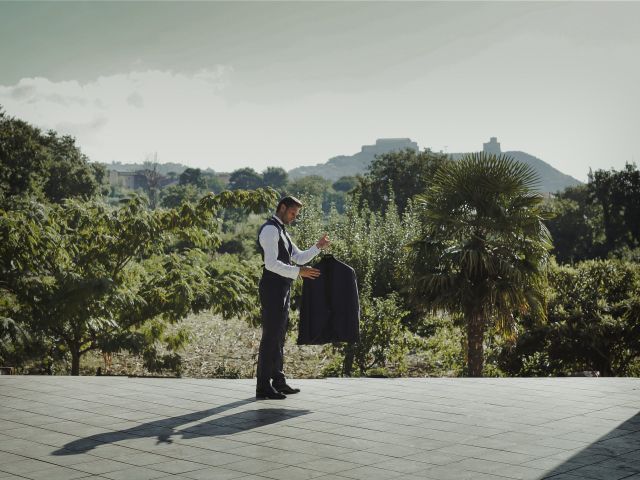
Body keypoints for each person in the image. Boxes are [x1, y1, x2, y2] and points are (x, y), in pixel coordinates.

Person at [256, 196, 330, 399]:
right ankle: (263, 387)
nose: (294, 217)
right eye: (292, 213)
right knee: (270, 338)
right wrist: (299, 272)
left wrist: (318, 247)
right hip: (272, 288)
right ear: (282, 207)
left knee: (279, 337)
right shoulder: (270, 230)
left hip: (282, 288)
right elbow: (271, 264)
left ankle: (278, 382)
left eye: (296, 214)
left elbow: (297, 257)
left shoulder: (281, 231)